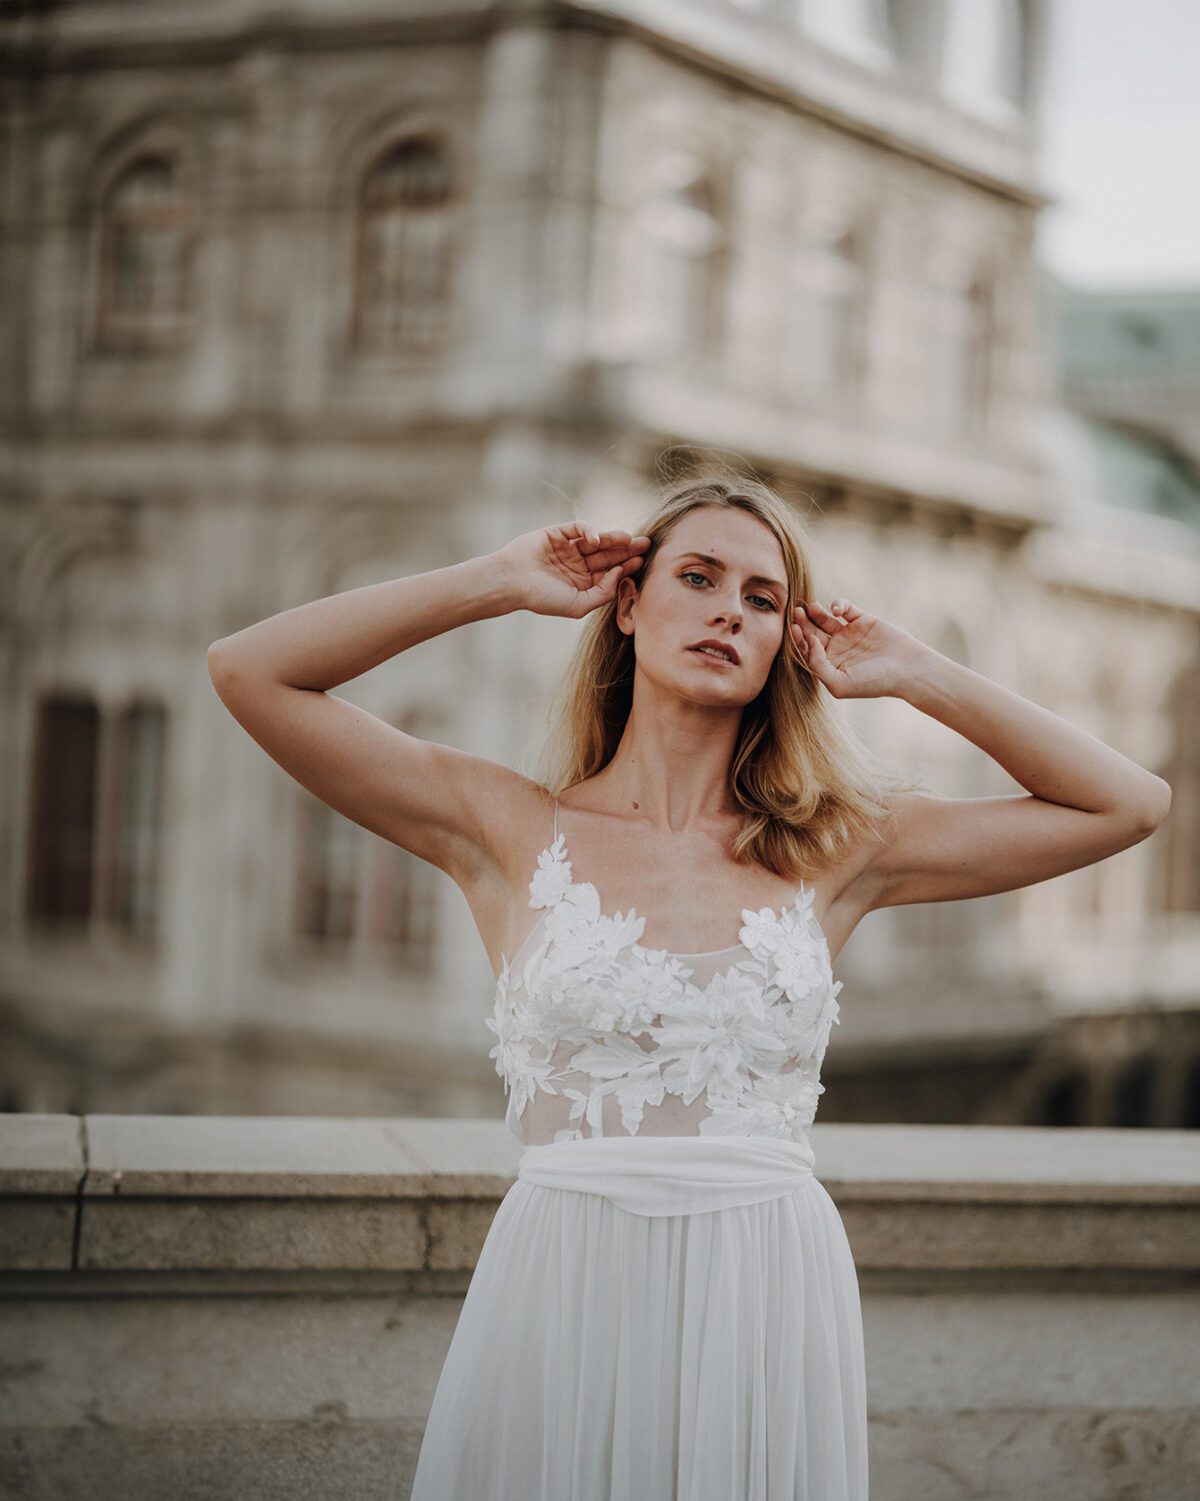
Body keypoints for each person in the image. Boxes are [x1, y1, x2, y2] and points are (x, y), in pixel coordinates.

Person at [207, 473, 1171, 1500]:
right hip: (561, 1281)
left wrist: (919, 672)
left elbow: (1128, 802)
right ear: (627, 604)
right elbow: (250, 671)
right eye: (699, 577)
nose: (727, 611)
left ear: (783, 644)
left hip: (765, 1289)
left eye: (761, 598)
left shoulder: (838, 849)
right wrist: (495, 579)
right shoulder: (508, 828)